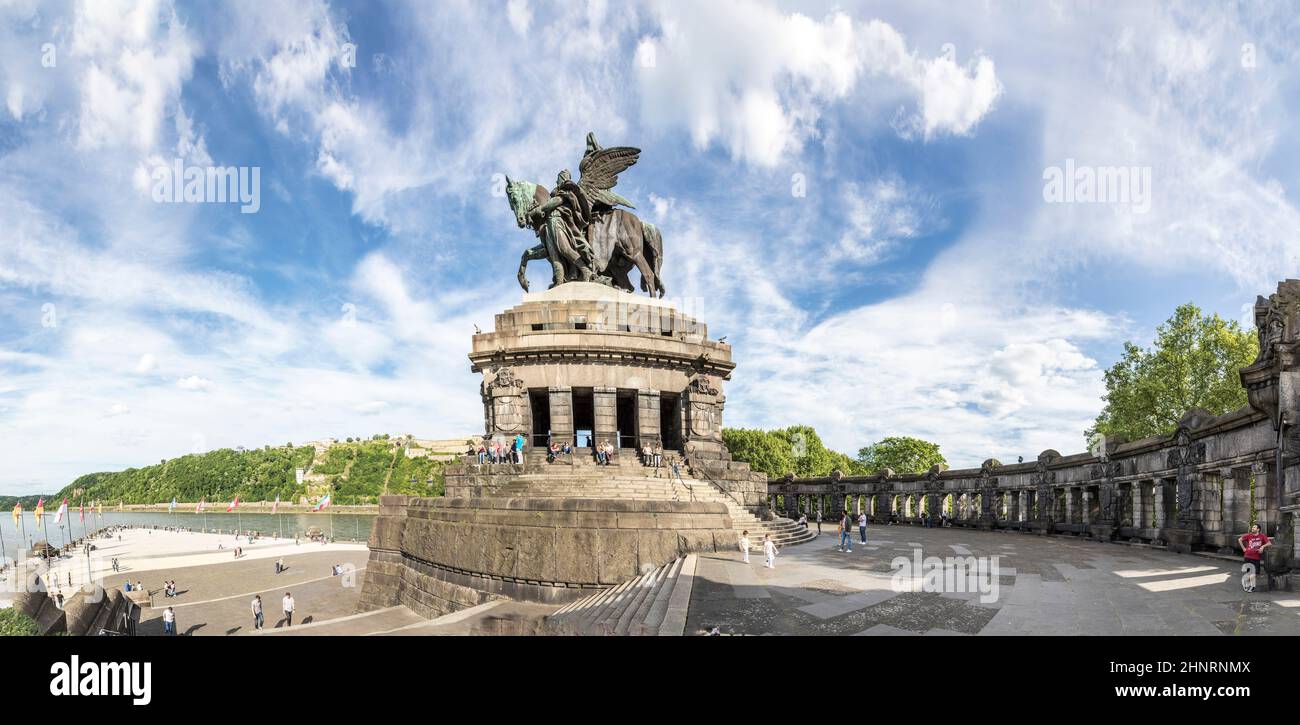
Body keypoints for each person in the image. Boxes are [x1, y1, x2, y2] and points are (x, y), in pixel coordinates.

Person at [1239, 523, 1273, 593]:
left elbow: (1269, 543)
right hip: (1247, 556)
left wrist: (1262, 546)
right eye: (1252, 527)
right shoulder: (1249, 535)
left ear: (1258, 529)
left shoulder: (1262, 536)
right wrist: (1243, 548)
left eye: (1254, 527)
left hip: (1256, 557)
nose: (1252, 528)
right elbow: (1239, 540)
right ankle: (1250, 585)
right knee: (1249, 573)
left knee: (1254, 573)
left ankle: (1251, 585)